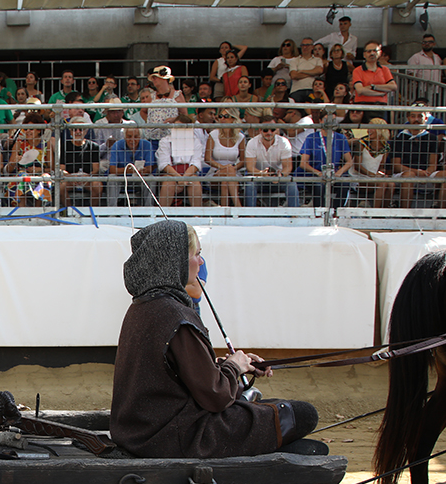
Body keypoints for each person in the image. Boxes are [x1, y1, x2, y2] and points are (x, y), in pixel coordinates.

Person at [110, 220, 320, 459]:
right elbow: (215, 397)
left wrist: (234, 365)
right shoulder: (174, 314)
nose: (200, 261)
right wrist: (233, 366)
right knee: (302, 414)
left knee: (268, 407)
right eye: (196, 254)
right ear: (174, 259)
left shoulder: (144, 307)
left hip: (146, 431)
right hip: (174, 436)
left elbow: (180, 376)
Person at [299, 110, 354, 207]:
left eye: (333, 120)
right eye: (326, 119)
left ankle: (336, 211)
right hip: (317, 174)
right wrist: (318, 173)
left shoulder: (341, 138)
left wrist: (339, 173)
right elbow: (303, 163)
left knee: (344, 184)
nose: (329, 123)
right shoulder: (311, 138)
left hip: (335, 174)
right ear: (320, 120)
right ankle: (319, 212)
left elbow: (349, 161)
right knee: (318, 186)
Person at [243, 119, 298, 207]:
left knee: (291, 183)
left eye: (272, 129)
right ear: (260, 130)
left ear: (276, 130)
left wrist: (280, 175)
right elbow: (250, 167)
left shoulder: (284, 142)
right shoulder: (252, 143)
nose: (269, 132)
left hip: (278, 178)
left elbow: (288, 167)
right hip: (259, 178)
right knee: (250, 184)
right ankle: (250, 216)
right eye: (265, 130)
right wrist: (262, 174)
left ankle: (295, 215)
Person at [204, 108, 244, 207]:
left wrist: (232, 169)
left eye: (226, 116)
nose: (222, 119)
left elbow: (243, 160)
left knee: (226, 180)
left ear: (233, 119)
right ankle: (238, 207)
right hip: (216, 171)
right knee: (228, 174)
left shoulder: (240, 137)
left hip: (233, 171)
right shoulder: (213, 135)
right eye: (220, 116)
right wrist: (224, 168)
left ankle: (224, 211)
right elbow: (207, 158)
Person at [109, 126, 156, 206]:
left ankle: (149, 211)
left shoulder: (147, 145)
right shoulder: (117, 145)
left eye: (136, 137)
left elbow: (150, 168)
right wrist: (128, 170)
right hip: (122, 177)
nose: (132, 140)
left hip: (140, 177)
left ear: (140, 137)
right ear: (125, 137)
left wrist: (144, 170)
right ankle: (111, 212)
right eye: (129, 137)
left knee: (151, 179)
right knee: (112, 178)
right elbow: (112, 169)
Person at [61, 116, 102, 206]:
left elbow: (96, 169)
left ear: (86, 131)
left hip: (87, 178)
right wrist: (71, 177)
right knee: (61, 186)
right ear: (71, 132)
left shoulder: (94, 146)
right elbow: (61, 168)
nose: (78, 132)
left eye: (81, 129)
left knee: (97, 185)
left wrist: (86, 177)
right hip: (70, 178)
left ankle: (91, 213)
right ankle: (68, 212)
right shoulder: (64, 146)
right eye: (75, 129)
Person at [351, 41, 396, 119]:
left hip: (381, 106)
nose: (372, 53)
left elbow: (393, 87)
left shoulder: (385, 69)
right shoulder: (357, 70)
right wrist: (380, 93)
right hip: (362, 106)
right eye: (369, 51)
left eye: (375, 51)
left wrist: (373, 87)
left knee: (381, 130)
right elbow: (360, 90)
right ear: (364, 54)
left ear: (380, 53)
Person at [407, 34, 443, 101]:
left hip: (436, 90)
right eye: (424, 42)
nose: (426, 44)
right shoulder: (416, 57)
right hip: (422, 90)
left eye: (429, 42)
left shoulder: (437, 57)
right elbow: (411, 74)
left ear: (434, 44)